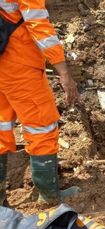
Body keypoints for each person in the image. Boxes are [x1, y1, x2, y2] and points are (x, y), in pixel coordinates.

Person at [0, 0, 80, 205]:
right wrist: (63, 72)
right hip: (18, 64)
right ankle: (48, 194)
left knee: (1, 127)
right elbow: (39, 26)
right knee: (41, 125)